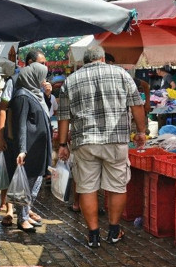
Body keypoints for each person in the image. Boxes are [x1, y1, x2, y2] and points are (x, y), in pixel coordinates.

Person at [57, 46, 147, 248]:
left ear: (84, 61)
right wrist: (141, 131)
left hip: (84, 142)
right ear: (103, 58)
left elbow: (63, 116)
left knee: (87, 188)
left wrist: (62, 144)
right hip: (115, 140)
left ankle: (93, 234)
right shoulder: (122, 74)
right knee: (117, 186)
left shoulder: (70, 81)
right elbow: (136, 105)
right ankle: (114, 231)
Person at [0, 50, 47, 226]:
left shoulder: (37, 82)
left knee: (30, 175)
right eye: (41, 63)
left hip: (32, 140)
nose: (44, 67)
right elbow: (3, 108)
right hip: (15, 136)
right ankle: (15, 211)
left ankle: (25, 209)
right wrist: (0, 135)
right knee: (17, 174)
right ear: (31, 63)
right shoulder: (14, 81)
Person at [4, 62, 52, 232]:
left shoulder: (34, 94)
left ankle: (25, 214)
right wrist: (22, 149)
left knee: (35, 183)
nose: (44, 79)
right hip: (29, 149)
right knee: (26, 186)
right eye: (42, 75)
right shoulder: (22, 97)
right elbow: (21, 125)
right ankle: (22, 218)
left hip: (37, 149)